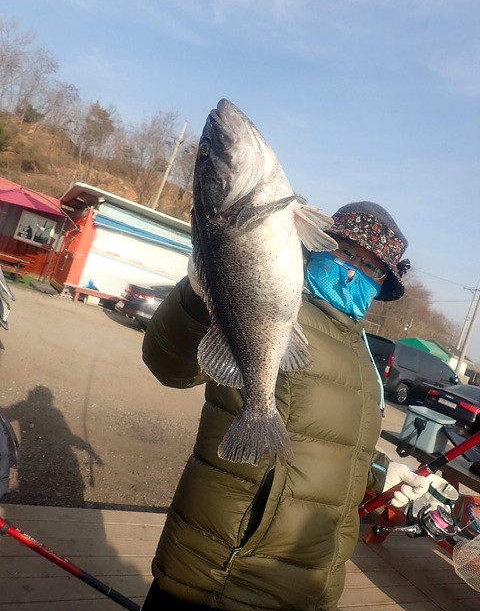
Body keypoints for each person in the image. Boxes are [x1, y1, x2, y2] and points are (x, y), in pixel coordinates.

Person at [141, 201, 432, 611]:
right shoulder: (269, 303)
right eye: (344, 251)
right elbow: (170, 364)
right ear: (314, 245)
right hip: (222, 576)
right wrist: (201, 286)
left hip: (309, 588)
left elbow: (329, 444)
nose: (353, 271)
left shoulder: (362, 353)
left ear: (383, 282)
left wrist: (381, 473)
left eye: (371, 266)